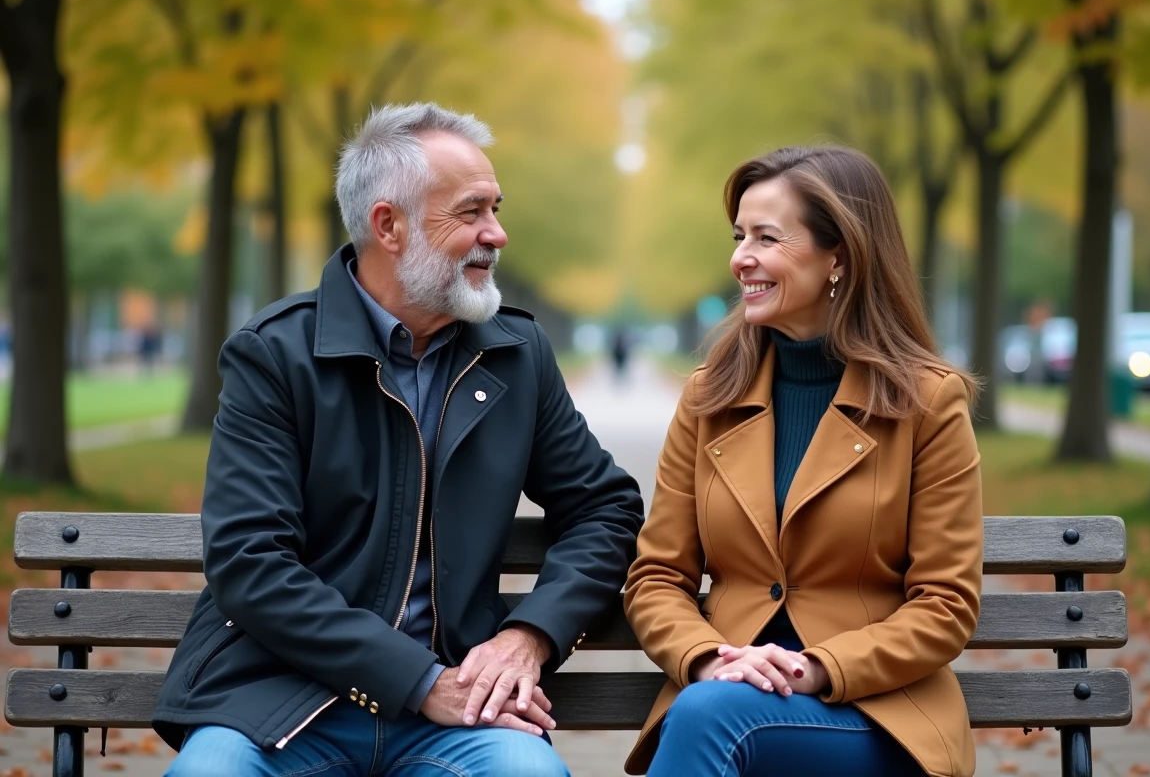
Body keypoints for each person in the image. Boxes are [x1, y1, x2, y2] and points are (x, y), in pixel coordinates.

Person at [153, 103, 645, 777]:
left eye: (496, 209)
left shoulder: (516, 353)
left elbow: (604, 509)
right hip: (278, 702)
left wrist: (530, 636)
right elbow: (250, 562)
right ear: (389, 225)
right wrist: (418, 681)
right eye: (471, 212)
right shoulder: (275, 354)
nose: (497, 233)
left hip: (461, 710)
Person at [623, 145, 983, 777]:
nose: (741, 257)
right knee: (711, 714)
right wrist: (710, 658)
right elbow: (657, 578)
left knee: (709, 719)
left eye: (767, 237)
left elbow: (945, 604)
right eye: (739, 236)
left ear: (838, 255)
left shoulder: (927, 402)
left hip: (875, 715)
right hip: (722, 695)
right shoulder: (709, 398)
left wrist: (814, 667)